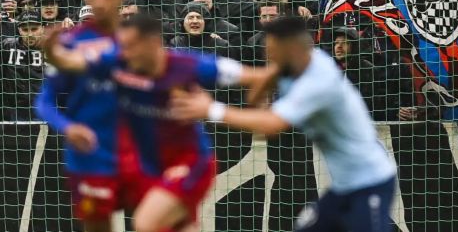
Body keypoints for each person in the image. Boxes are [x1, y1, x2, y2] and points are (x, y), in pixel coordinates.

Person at [44, 12, 279, 232]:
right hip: (152, 163)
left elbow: (257, 75)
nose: (124, 53)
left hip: (190, 162)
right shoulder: (119, 63)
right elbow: (71, 62)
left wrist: (227, 105)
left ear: (153, 42)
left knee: (146, 223)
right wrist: (52, 48)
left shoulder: (187, 65)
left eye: (131, 46)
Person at [170, 15, 397, 232]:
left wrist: (211, 109)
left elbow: (272, 125)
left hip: (370, 180)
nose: (268, 55)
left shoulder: (317, 81)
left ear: (290, 48)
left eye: (272, 50)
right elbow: (259, 84)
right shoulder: (303, 62)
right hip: (344, 185)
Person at [33, 0, 132, 232]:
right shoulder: (67, 44)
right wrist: (67, 127)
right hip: (90, 155)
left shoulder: (135, 41)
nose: (100, 2)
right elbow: (43, 101)